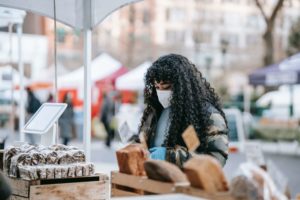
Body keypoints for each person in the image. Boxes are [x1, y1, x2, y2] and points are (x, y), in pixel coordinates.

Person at [138, 54, 229, 167]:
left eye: (166, 87)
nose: (161, 92)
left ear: (182, 86)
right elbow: (143, 141)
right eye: (157, 87)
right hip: (155, 181)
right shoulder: (155, 110)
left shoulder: (207, 115)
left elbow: (215, 160)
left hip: (186, 183)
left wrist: (169, 156)